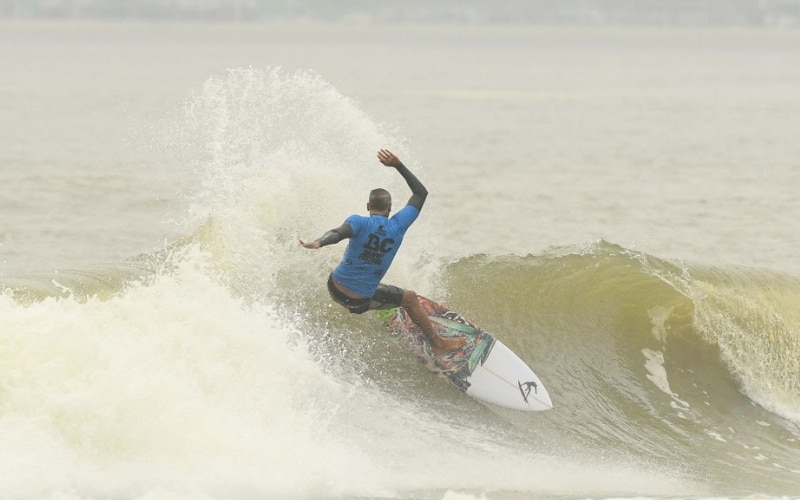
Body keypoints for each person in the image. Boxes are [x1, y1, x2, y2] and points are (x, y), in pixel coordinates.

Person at [300, 149, 466, 355]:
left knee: (361, 272)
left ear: (368, 206)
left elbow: (338, 232)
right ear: (390, 208)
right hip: (359, 302)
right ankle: (437, 343)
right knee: (410, 298)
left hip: (334, 287)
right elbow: (421, 193)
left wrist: (318, 243)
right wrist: (398, 165)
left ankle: (383, 307)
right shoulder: (398, 224)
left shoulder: (358, 222)